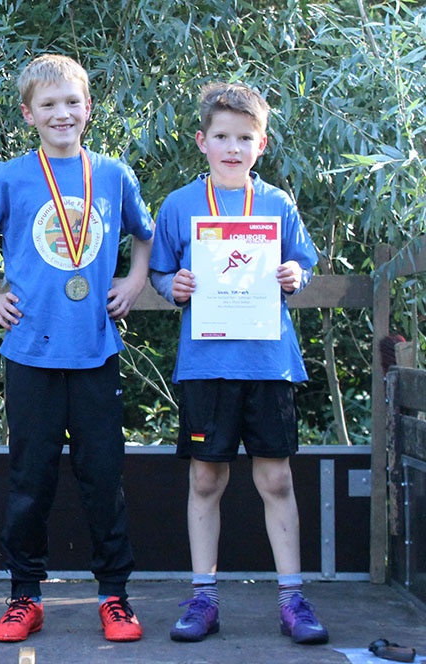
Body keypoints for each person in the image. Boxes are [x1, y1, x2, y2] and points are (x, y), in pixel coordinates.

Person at [0, 54, 154, 644]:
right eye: (48, 105)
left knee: (103, 478)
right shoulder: (10, 177)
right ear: (28, 114)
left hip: (95, 351)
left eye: (71, 102)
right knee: (29, 480)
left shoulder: (112, 174)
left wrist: (135, 280)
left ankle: (114, 597)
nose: (62, 113)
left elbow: (145, 235)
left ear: (88, 108)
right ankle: (24, 597)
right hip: (30, 354)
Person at [149, 81, 328, 645]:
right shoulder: (179, 205)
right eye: (222, 137)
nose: (233, 148)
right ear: (202, 141)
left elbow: (302, 265)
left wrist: (296, 276)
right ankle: (203, 598)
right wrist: (172, 285)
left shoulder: (277, 203)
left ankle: (292, 600)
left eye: (245, 138)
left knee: (276, 478)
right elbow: (159, 272)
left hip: (268, 363)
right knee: (206, 478)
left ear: (261, 144)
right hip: (206, 365)